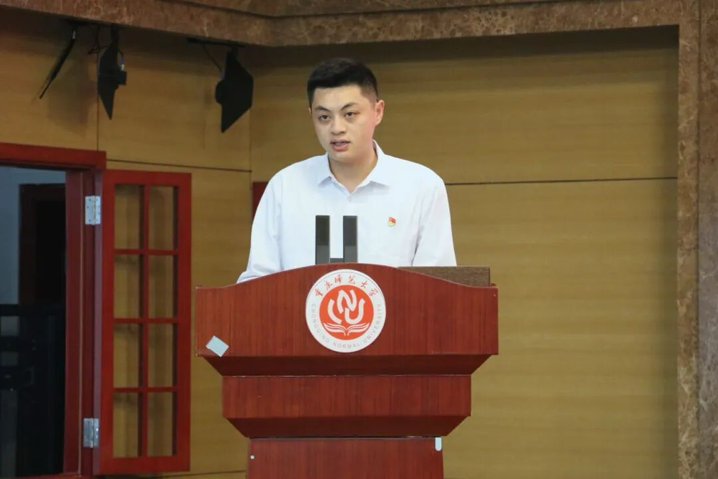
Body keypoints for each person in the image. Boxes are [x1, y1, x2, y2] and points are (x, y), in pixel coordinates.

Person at [237, 58, 456, 282]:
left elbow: (438, 285)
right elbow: (257, 282)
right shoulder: (285, 186)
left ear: (378, 111)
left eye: (349, 114)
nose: (337, 128)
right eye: (324, 117)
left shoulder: (422, 187)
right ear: (311, 116)